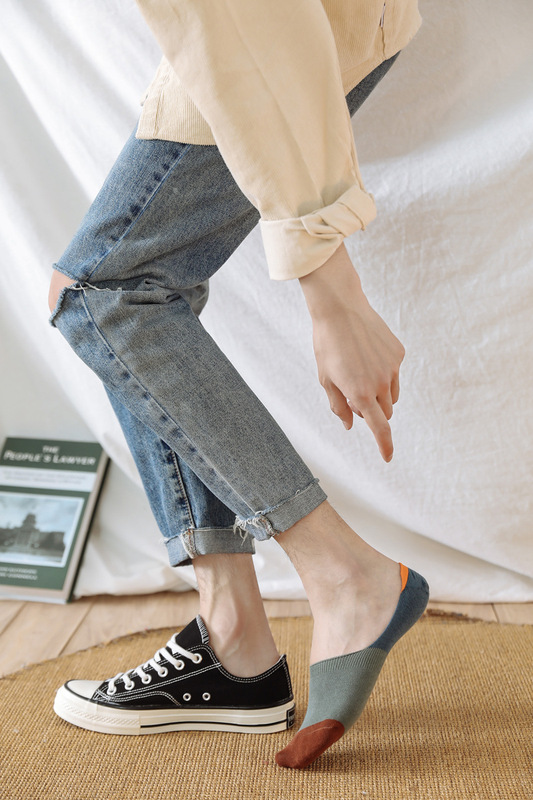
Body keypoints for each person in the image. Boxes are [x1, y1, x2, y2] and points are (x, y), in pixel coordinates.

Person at [48, 0, 429, 769]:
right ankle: (236, 648)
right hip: (273, 43)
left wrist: (332, 291)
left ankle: (345, 574)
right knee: (122, 291)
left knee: (104, 294)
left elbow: (253, 25)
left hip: (279, 50)